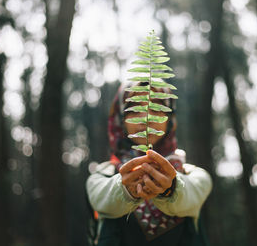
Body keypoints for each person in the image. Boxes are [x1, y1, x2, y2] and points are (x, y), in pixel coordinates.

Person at [86, 82, 212, 246]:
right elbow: (102, 199)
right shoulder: (101, 176)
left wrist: (171, 187)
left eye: (157, 109)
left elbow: (193, 191)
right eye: (135, 109)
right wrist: (125, 188)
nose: (146, 118)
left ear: (170, 119)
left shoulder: (193, 175)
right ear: (120, 118)